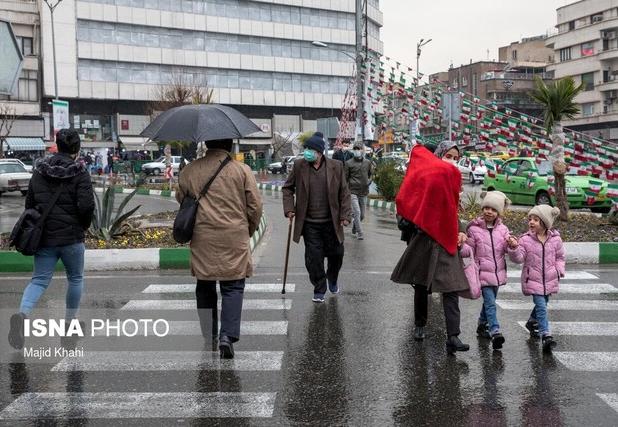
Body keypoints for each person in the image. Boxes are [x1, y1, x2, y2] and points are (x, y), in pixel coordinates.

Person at [8, 129, 95, 350]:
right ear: (76, 148)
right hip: (72, 238)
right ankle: (68, 325)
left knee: (38, 280)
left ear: (57, 145)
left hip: (45, 238)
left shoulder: (39, 171)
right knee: (75, 279)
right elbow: (86, 207)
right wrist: (82, 226)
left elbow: (30, 204)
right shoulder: (81, 172)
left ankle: (22, 315)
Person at [176, 139, 263, 359]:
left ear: (207, 144)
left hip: (203, 236)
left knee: (204, 286)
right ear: (228, 145)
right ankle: (227, 336)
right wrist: (247, 230)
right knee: (233, 286)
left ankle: (209, 334)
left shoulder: (190, 170)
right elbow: (255, 206)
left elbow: (181, 198)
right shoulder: (241, 170)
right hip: (234, 236)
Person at [391, 141, 471, 355]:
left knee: (451, 288)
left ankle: (453, 336)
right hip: (424, 239)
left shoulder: (452, 178)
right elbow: (407, 201)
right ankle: (420, 324)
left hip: (447, 240)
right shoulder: (422, 176)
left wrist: (462, 229)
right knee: (421, 286)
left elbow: (455, 210)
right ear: (439, 154)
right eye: (449, 156)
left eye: (456, 157)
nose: (452, 161)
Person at [282, 132, 352, 303]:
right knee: (314, 258)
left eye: (310, 150)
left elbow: (344, 193)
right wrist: (289, 208)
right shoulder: (299, 166)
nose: (307, 152)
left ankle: (332, 278)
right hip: (310, 224)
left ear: (319, 152)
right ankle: (319, 287)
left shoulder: (336, 166)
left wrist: (345, 215)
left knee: (337, 255)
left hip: (331, 222)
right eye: (306, 149)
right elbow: (287, 189)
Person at [462, 191, 518, 350]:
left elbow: (507, 248)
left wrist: (512, 245)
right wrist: (467, 268)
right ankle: (495, 331)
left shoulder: (503, 230)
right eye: (486, 208)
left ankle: (482, 324)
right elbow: (468, 251)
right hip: (482, 272)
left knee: (489, 302)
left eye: (493, 210)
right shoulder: (473, 229)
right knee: (491, 303)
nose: (489, 211)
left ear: (498, 213)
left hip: (498, 272)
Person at [509, 205, 565, 353]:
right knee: (541, 306)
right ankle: (546, 335)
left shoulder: (556, 240)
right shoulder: (525, 240)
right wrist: (514, 248)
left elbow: (560, 257)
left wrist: (559, 270)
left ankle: (531, 322)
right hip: (533, 279)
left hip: (550, 278)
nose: (531, 222)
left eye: (536, 219)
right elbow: (519, 258)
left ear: (545, 223)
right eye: (530, 219)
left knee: (544, 302)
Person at [345, 142, 373, 240]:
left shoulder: (367, 162)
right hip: (352, 191)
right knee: (356, 212)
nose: (357, 151)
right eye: (355, 149)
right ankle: (360, 233)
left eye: (359, 149)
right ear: (353, 150)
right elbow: (345, 178)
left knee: (362, 215)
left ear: (362, 150)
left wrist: (369, 182)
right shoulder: (348, 163)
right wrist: (346, 190)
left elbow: (371, 175)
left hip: (364, 191)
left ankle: (355, 226)